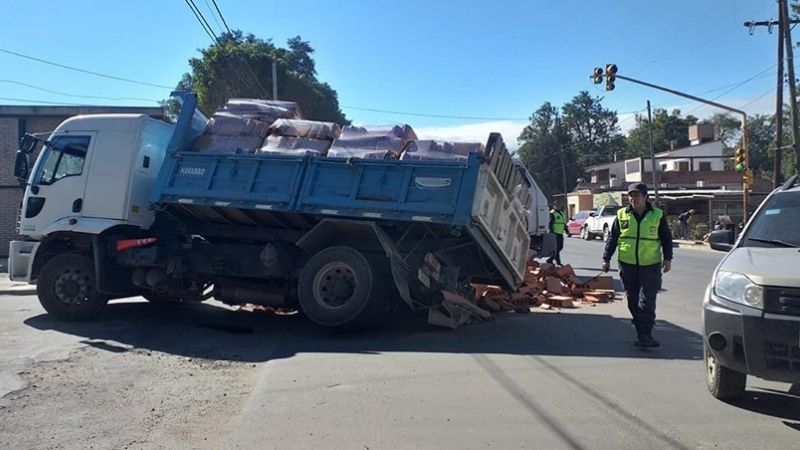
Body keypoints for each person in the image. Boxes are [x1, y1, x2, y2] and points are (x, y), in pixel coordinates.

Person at [602, 183, 673, 348]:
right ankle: (641, 330)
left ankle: (645, 334)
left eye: (637, 195)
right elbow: (613, 238)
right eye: (631, 196)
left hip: (651, 264)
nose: (633, 199)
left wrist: (668, 258)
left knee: (647, 300)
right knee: (632, 300)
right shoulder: (622, 215)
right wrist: (606, 258)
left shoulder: (657, 215)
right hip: (627, 265)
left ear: (646, 197)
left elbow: (666, 238)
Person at [546, 200, 566, 267]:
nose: (558, 207)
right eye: (557, 205)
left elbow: (563, 223)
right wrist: (552, 232)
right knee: (557, 248)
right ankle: (557, 261)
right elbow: (550, 223)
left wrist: (566, 230)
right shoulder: (552, 213)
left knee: (560, 247)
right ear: (554, 206)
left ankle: (551, 259)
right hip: (555, 233)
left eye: (559, 205)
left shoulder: (561, 213)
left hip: (560, 232)